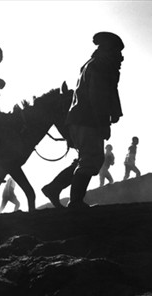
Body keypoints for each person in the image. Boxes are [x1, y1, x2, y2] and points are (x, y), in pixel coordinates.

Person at [42, 32, 125, 209]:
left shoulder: (97, 66)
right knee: (91, 159)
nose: (121, 58)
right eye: (117, 52)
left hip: (80, 119)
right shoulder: (99, 67)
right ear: (109, 50)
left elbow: (109, 92)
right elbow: (98, 97)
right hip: (87, 119)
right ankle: (76, 202)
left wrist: (115, 113)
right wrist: (104, 122)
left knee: (86, 158)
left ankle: (54, 188)